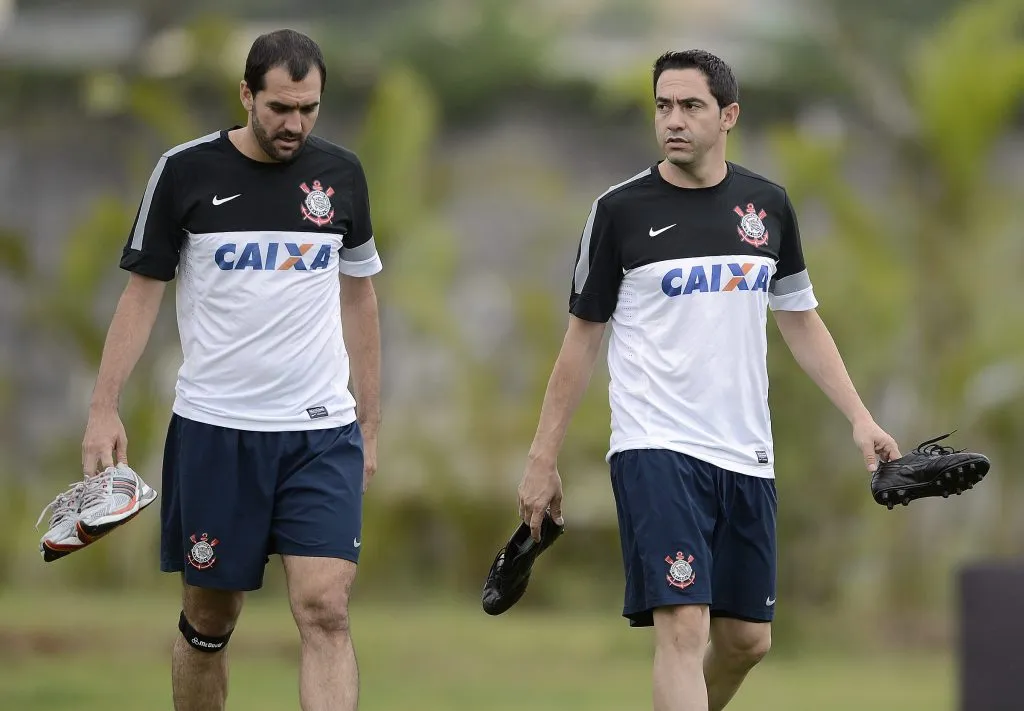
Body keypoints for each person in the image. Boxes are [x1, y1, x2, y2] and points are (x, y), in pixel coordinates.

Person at [516, 49, 901, 711]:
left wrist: (861, 418)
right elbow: (581, 340)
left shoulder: (768, 207)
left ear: (728, 115)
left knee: (748, 639)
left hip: (745, 451)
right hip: (656, 445)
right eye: (663, 105)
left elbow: (801, 320)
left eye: (691, 106)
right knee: (684, 625)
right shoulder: (618, 212)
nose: (674, 119)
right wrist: (541, 457)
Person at [78, 29, 381, 711]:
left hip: (319, 432)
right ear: (246, 95)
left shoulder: (342, 176)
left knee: (326, 607)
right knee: (211, 620)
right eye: (279, 107)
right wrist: (104, 405)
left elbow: (361, 295)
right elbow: (141, 294)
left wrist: (371, 420)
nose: (294, 124)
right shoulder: (185, 172)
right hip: (217, 431)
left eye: (308, 108)